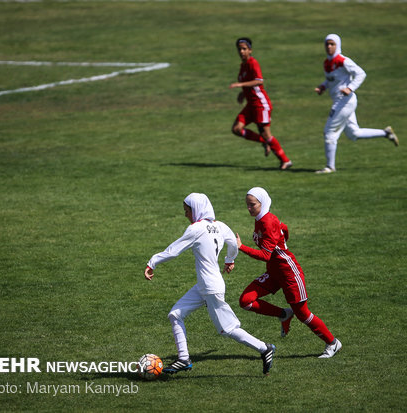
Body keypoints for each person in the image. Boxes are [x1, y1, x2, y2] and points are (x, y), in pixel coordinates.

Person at [144, 193, 276, 375]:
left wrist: (153, 262)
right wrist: (230, 259)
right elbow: (233, 243)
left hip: (211, 289)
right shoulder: (220, 226)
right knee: (175, 314)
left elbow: (174, 250)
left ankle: (264, 348)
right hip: (205, 286)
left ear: (196, 209)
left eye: (187, 211)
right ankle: (183, 359)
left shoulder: (196, 229)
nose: (186, 215)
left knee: (228, 329)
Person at [236, 187, 342, 359]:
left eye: (252, 205)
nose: (249, 208)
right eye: (247, 204)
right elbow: (283, 228)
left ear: (262, 203)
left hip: (288, 273)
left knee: (302, 313)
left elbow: (265, 255)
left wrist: (241, 247)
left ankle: (332, 343)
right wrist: (282, 241)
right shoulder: (261, 218)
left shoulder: (267, 222)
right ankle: (284, 314)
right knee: (246, 301)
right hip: (274, 272)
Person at [314, 33, 398, 174]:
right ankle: (386, 133)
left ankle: (330, 167)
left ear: (338, 45)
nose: (329, 47)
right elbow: (331, 80)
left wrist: (350, 87)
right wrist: (323, 86)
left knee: (329, 132)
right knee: (354, 133)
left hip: (344, 102)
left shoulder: (343, 60)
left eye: (332, 44)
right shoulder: (327, 63)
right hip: (341, 101)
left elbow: (361, 73)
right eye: (327, 44)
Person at [229, 37, 293, 170]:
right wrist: (242, 93)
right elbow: (249, 84)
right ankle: (264, 142)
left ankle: (285, 161)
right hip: (250, 106)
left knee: (267, 134)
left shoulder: (253, 63)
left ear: (250, 50)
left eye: (244, 49)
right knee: (236, 129)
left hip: (260, 104)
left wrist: (240, 85)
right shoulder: (243, 66)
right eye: (239, 49)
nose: (241, 51)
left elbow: (259, 80)